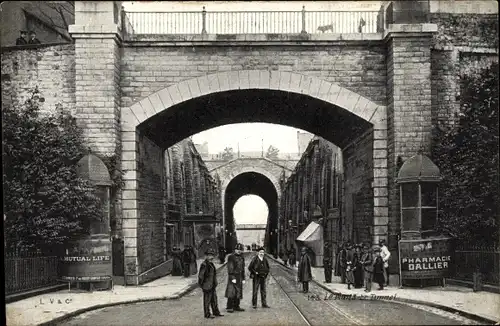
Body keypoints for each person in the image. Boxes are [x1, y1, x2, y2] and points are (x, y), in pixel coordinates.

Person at [198, 249, 224, 319]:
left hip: (212, 285)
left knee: (214, 299)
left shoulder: (211, 264)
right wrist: (202, 285)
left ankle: (216, 312)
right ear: (206, 256)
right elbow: (201, 276)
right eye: (209, 255)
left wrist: (214, 282)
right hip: (207, 285)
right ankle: (207, 314)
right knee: (207, 301)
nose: (211, 257)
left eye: (212, 255)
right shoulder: (204, 264)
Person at [225, 243, 246, 313]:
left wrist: (243, 278)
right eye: (237, 249)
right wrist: (232, 277)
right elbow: (230, 268)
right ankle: (229, 307)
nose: (239, 251)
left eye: (240, 249)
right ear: (235, 250)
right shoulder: (231, 257)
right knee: (231, 292)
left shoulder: (242, 257)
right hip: (233, 276)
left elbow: (243, 269)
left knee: (238, 292)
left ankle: (236, 306)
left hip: (239, 277)